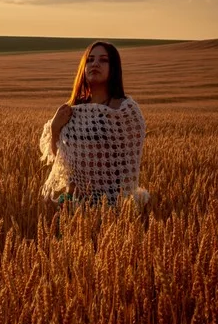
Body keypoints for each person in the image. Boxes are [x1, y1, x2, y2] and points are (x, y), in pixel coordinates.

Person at [39, 41, 148, 207]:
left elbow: (128, 163)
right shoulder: (71, 110)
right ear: (83, 67)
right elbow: (59, 158)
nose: (95, 64)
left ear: (114, 68)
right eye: (90, 60)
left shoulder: (124, 110)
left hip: (109, 204)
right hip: (72, 202)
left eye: (103, 60)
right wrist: (55, 129)